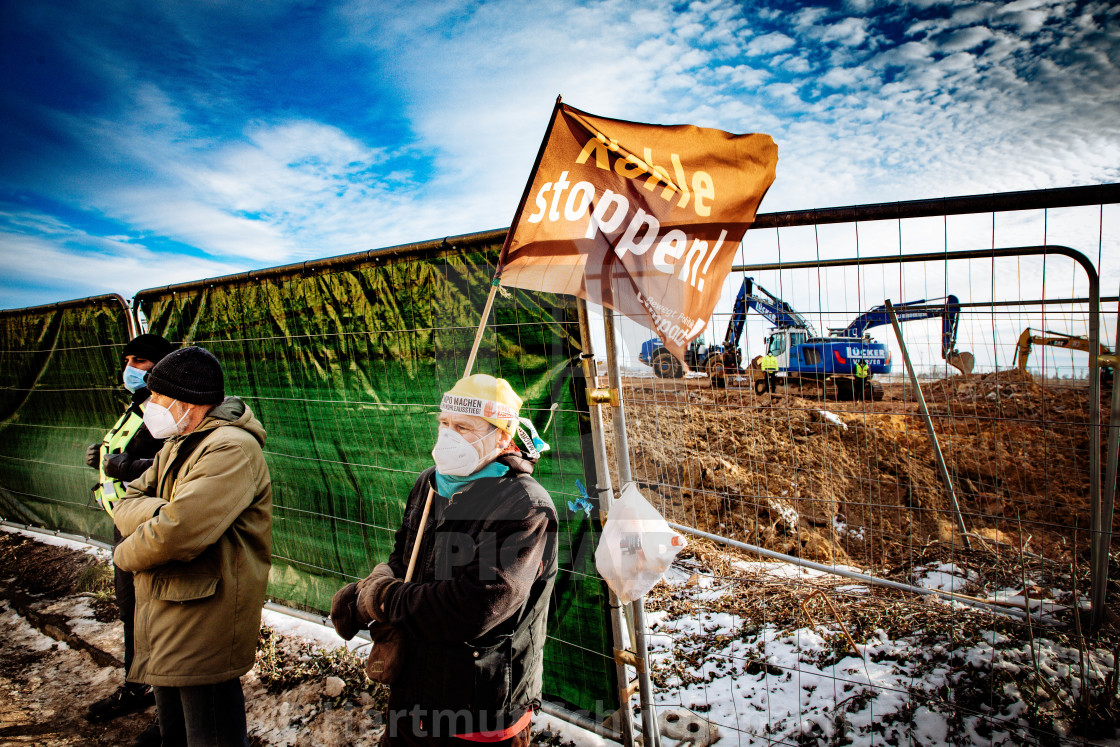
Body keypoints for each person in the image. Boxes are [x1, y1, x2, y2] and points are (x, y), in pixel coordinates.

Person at [330, 374, 558, 746]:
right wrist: (375, 583)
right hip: (412, 696)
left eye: (463, 427)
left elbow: (473, 608)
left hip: (479, 712)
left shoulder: (524, 508)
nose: (448, 436)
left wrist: (382, 600)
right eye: (445, 424)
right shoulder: (431, 483)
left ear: (502, 437)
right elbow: (406, 556)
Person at [112, 346, 272, 747]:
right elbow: (126, 501)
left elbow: (179, 533)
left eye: (158, 398)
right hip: (168, 608)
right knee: (176, 736)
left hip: (204, 615)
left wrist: (122, 555)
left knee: (210, 734)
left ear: (187, 402)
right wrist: (163, 511)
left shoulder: (229, 448)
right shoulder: (181, 440)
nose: (151, 406)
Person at [84, 333, 174, 745]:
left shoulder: (171, 410)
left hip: (153, 525)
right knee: (131, 611)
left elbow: (175, 464)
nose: (130, 368)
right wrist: (102, 458)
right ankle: (138, 686)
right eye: (128, 359)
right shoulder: (138, 407)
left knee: (160, 617)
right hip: (124, 525)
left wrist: (123, 465)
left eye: (139, 360)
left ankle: (172, 712)